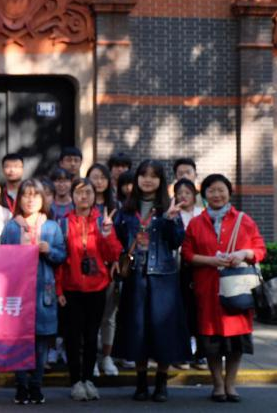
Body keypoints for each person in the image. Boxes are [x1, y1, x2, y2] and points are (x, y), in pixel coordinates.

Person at [182, 174, 265, 403]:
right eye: (211, 191)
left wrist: (243, 254)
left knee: (236, 343)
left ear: (229, 192)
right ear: (204, 195)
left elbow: (260, 249)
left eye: (221, 190)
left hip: (237, 290)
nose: (216, 195)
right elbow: (187, 254)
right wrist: (211, 260)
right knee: (211, 343)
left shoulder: (244, 220)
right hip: (207, 290)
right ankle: (218, 385)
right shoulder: (196, 223)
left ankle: (231, 384)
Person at [113, 160, 191, 403]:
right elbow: (117, 241)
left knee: (163, 330)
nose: (148, 180)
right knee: (138, 330)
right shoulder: (126, 210)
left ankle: (161, 383)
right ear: (136, 179)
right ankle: (140, 383)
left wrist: (171, 220)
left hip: (163, 277)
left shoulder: (168, 208)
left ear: (161, 181)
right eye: (144, 175)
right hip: (135, 275)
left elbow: (177, 242)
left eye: (154, 176)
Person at [0, 179, 66, 405]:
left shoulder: (51, 227)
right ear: (19, 199)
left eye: (35, 195)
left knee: (41, 340)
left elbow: (62, 256)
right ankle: (21, 385)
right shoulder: (11, 227)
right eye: (26, 195)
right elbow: (2, 259)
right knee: (19, 339)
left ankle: (36, 385)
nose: (30, 200)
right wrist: (18, 251)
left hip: (43, 291)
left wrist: (49, 250)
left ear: (42, 199)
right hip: (18, 291)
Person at [56, 179, 122, 401]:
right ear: (72, 196)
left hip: (97, 287)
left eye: (88, 192)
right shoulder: (63, 223)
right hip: (71, 287)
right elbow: (59, 261)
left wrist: (107, 234)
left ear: (95, 196)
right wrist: (59, 290)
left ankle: (89, 380)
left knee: (92, 335)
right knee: (73, 337)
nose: (83, 197)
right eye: (78, 193)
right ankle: (76, 381)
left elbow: (113, 255)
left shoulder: (102, 221)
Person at [86, 163, 120, 376]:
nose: (98, 182)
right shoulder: (82, 206)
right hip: (88, 269)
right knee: (90, 318)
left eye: (102, 178)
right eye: (94, 177)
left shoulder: (116, 206)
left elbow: (123, 237)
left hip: (110, 268)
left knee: (109, 316)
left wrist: (117, 259)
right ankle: (90, 359)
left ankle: (106, 357)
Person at [173, 179, 208, 371]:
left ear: (194, 195)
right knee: (182, 312)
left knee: (200, 311)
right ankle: (182, 353)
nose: (183, 196)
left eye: (187, 192)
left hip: (201, 266)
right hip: (179, 269)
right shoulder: (173, 214)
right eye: (179, 193)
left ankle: (201, 354)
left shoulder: (203, 214)